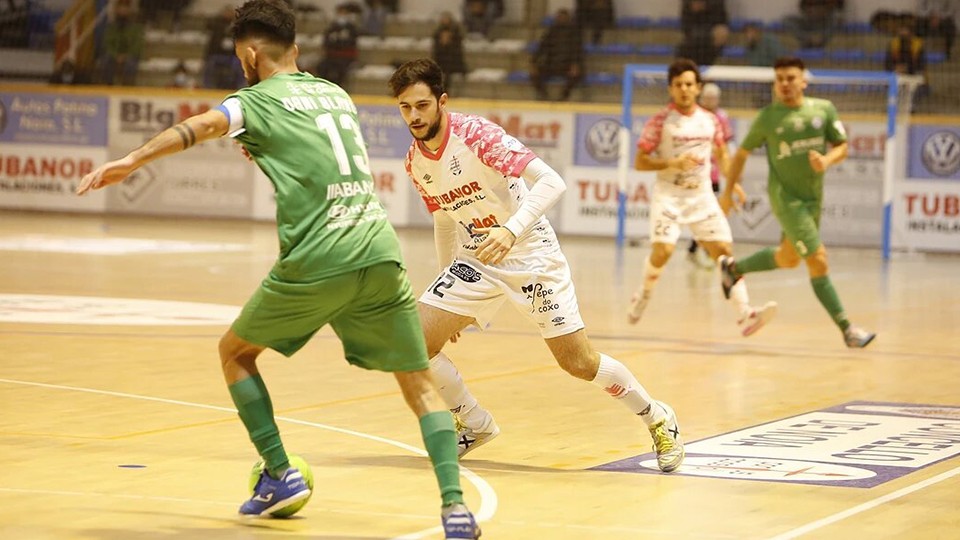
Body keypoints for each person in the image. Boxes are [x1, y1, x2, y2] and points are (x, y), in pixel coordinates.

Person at [75, 2, 479, 537]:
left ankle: (281, 473)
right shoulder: (334, 93)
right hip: (379, 250)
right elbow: (305, 148)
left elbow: (202, 125)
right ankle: (455, 509)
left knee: (235, 353)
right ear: (296, 48)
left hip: (320, 254)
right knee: (419, 384)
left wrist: (132, 160)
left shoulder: (253, 100)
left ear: (248, 54)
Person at [388, 58, 685, 473]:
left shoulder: (477, 135)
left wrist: (510, 230)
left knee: (577, 363)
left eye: (421, 105)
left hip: (530, 252)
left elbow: (551, 181)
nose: (414, 116)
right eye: (405, 107)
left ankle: (656, 416)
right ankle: (474, 423)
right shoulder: (415, 161)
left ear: (442, 101)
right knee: (412, 343)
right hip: (478, 257)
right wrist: (448, 289)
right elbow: (444, 220)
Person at [719, 56, 876, 349]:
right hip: (785, 199)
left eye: (791, 78)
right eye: (779, 79)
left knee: (789, 258)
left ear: (803, 80)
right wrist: (728, 191)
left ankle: (734, 269)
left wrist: (826, 160)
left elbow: (841, 146)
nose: (785, 84)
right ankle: (848, 329)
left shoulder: (823, 110)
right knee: (818, 259)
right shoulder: (768, 117)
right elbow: (740, 154)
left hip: (813, 198)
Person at [627, 59, 776, 337]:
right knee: (664, 252)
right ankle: (644, 294)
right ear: (671, 89)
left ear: (698, 88)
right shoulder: (660, 121)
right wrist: (673, 162)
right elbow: (640, 162)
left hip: (702, 196)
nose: (684, 89)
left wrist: (733, 186)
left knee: (724, 253)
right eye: (678, 85)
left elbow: (722, 154)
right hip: (669, 196)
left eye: (689, 84)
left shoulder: (711, 119)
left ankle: (745, 312)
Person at [686, 82, 734, 268]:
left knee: (710, 215)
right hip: (695, 174)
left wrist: (731, 171)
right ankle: (698, 251)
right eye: (707, 98)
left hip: (713, 175)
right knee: (700, 215)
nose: (710, 101)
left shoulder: (721, 117)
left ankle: (699, 251)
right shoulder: (694, 115)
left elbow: (727, 145)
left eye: (713, 98)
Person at [530, 8, 584, 101]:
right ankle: (542, 94)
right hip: (552, 64)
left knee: (576, 74)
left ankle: (564, 95)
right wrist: (533, 62)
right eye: (559, 17)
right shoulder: (551, 31)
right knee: (534, 73)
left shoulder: (575, 32)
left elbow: (577, 50)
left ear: (568, 18)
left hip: (568, 64)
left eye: (564, 17)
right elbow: (542, 47)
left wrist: (576, 64)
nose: (561, 19)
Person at [98, 0, 143, 86]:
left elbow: (137, 46)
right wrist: (116, 55)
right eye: (121, 8)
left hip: (130, 55)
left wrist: (125, 56)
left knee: (130, 63)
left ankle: (127, 87)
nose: (123, 10)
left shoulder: (136, 27)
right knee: (106, 60)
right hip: (114, 55)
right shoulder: (111, 27)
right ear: (116, 9)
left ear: (130, 10)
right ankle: (108, 85)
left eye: (125, 8)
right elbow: (107, 44)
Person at [315, 3, 359, 90]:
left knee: (340, 70)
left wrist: (338, 42)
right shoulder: (331, 27)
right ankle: (324, 88)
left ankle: (339, 89)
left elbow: (351, 43)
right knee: (321, 66)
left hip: (345, 57)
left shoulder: (351, 28)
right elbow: (326, 42)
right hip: (331, 56)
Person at [677, 0, 729, 66]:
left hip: (712, 32)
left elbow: (722, 21)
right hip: (693, 33)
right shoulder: (687, 4)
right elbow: (686, 26)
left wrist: (706, 6)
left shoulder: (717, 4)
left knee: (719, 34)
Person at [432, 12, 467, 95]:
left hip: (454, 62)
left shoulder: (456, 34)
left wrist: (449, 43)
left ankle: (445, 92)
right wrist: (442, 45)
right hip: (441, 61)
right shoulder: (437, 34)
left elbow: (458, 53)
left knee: (447, 71)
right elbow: (436, 53)